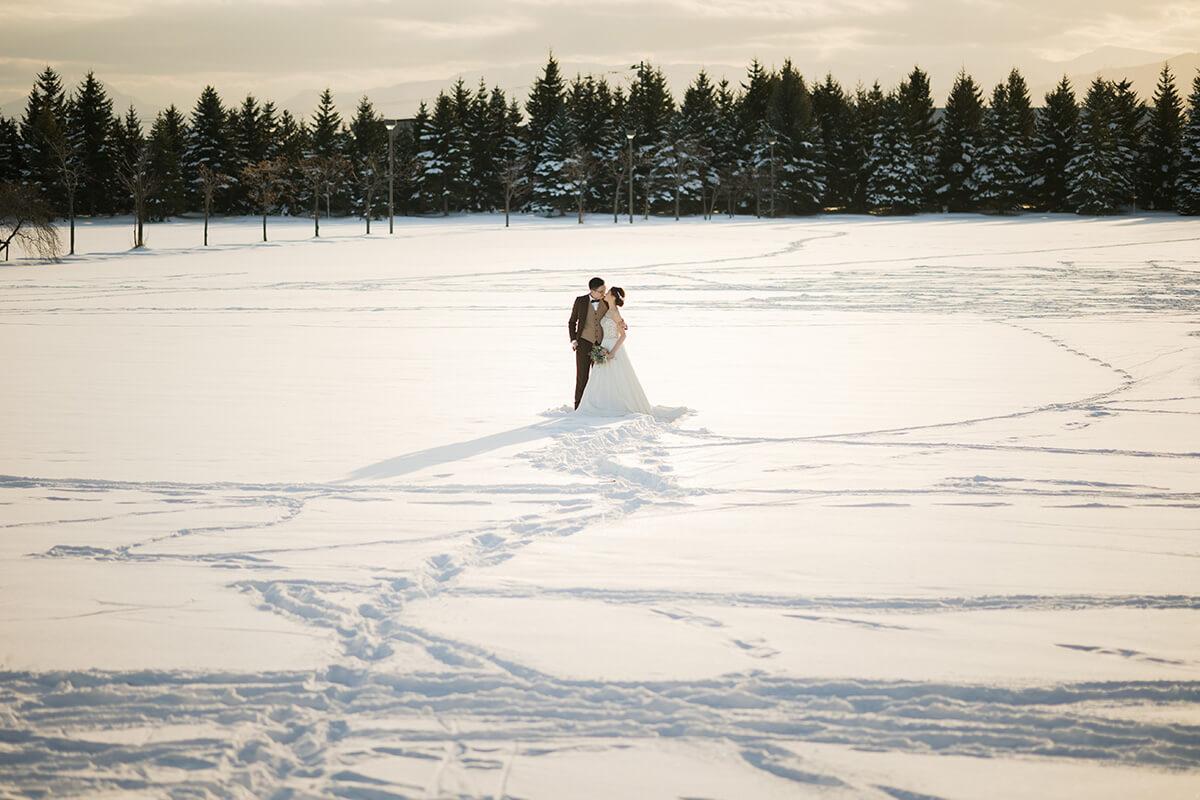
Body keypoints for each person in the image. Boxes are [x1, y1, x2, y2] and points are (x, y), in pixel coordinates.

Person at [575, 286, 653, 416]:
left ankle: (615, 404)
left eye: (608, 292)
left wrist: (612, 353)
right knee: (602, 377)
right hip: (604, 344)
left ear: (613, 297)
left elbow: (623, 335)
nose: (605, 294)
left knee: (618, 377)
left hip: (613, 346)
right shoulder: (608, 308)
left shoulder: (615, 312)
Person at [567, 277, 608, 409]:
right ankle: (578, 407)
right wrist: (574, 340)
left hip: (601, 345)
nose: (604, 294)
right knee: (582, 377)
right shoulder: (581, 301)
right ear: (592, 291)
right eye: (601, 291)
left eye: (604, 290)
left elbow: (614, 317)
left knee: (599, 379)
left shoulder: (606, 302)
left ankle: (597, 406)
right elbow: (572, 322)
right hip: (584, 344)